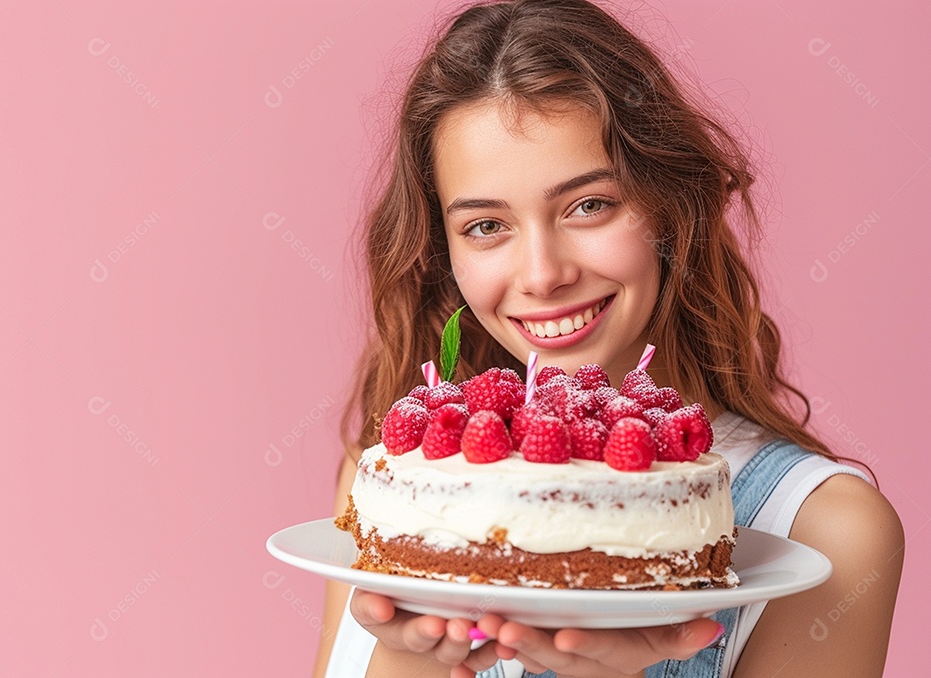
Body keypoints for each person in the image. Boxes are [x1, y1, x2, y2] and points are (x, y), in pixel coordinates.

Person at [313, 0, 904, 675]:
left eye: (589, 205)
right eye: (485, 225)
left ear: (667, 207)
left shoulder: (827, 534)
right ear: (444, 251)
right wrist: (410, 657)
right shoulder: (386, 489)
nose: (543, 275)